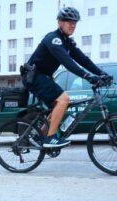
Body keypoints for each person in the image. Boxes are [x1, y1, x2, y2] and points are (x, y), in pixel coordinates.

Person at [22, 7, 110, 148]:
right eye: (69, 21)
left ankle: (41, 137)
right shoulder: (53, 39)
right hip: (33, 76)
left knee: (58, 105)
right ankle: (50, 138)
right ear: (59, 22)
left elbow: (83, 60)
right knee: (64, 99)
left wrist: (101, 73)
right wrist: (88, 76)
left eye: (74, 22)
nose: (72, 25)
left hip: (44, 77)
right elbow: (67, 62)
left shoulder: (67, 42)